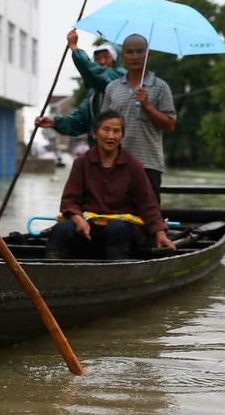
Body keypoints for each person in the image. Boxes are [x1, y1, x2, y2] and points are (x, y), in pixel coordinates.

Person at [48, 109, 176, 260]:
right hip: (88, 231)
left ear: (122, 135)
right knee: (62, 228)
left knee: (116, 228)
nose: (111, 136)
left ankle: (118, 273)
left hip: (122, 234)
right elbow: (69, 201)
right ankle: (52, 270)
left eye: (116, 131)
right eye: (106, 130)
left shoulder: (133, 165)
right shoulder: (81, 163)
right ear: (94, 134)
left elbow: (148, 205)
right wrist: (78, 219)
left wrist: (160, 233)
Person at [101, 33, 175, 201]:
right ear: (123, 55)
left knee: (147, 218)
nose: (135, 56)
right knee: (115, 217)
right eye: (130, 52)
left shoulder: (161, 87)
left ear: (148, 55)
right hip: (115, 163)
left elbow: (170, 125)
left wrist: (148, 106)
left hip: (148, 164)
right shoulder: (112, 88)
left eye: (140, 51)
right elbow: (103, 126)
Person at [34, 29, 124, 147]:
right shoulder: (94, 95)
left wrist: (74, 48)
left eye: (107, 57)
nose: (102, 62)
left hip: (122, 152)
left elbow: (94, 73)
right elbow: (78, 122)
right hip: (98, 154)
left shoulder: (120, 77)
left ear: (116, 61)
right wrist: (54, 122)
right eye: (97, 59)